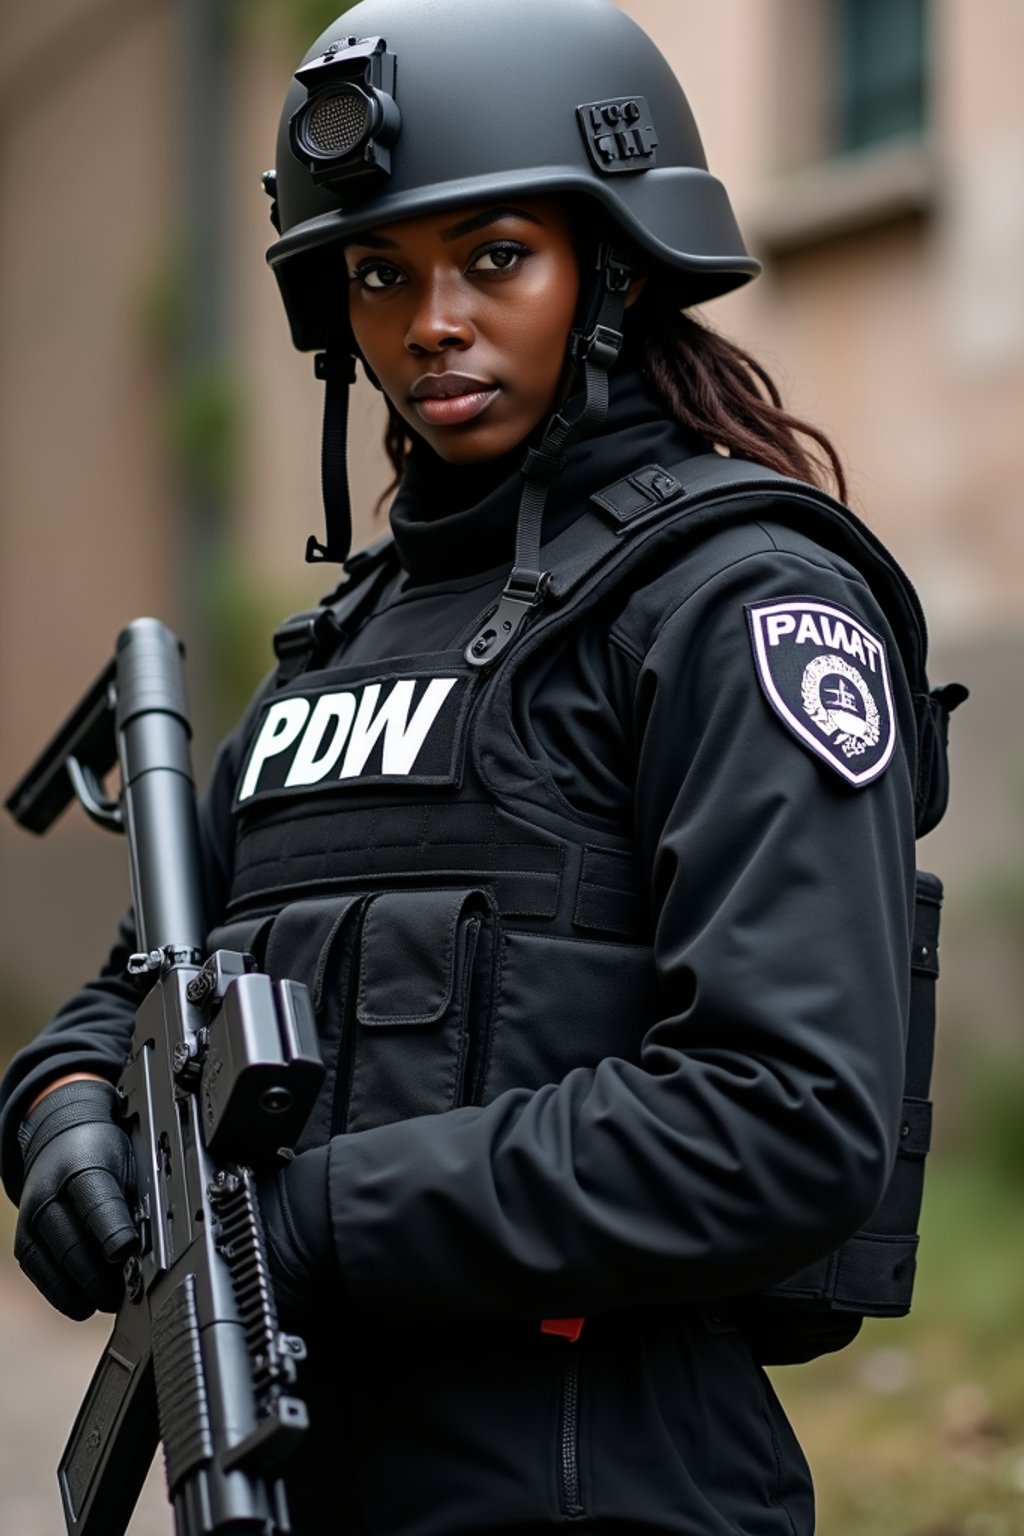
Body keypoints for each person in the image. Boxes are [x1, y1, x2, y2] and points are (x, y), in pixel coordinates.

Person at [0, 1, 956, 1532]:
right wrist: (54, 1103)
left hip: (604, 1484)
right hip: (298, 1477)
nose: (429, 320)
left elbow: (784, 1115)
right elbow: (145, 978)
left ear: (613, 265)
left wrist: (308, 1223)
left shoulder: (734, 601)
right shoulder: (351, 637)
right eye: (380, 273)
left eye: (493, 258)